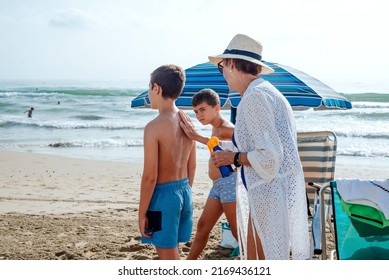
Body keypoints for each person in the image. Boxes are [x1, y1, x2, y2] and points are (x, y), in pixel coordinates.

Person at [179, 34, 310, 260]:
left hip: (268, 193)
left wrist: (234, 158)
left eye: (221, 67)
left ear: (231, 63)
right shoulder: (267, 92)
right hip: (273, 192)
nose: (222, 74)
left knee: (256, 261)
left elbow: (269, 159)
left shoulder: (255, 97)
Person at [138, 64, 196, 260]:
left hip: (164, 198)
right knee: (173, 250)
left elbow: (150, 177)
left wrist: (142, 213)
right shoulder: (187, 120)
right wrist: (185, 192)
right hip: (185, 191)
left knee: (167, 256)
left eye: (149, 87)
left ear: (157, 88)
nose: (149, 92)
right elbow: (192, 165)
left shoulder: (153, 128)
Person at [179, 89, 237, 260]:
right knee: (203, 226)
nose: (199, 115)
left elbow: (245, 147)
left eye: (203, 109)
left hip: (229, 183)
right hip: (218, 185)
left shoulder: (227, 128)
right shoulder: (215, 128)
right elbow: (216, 145)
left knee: (237, 231)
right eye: (196, 111)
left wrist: (196, 136)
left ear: (217, 107)